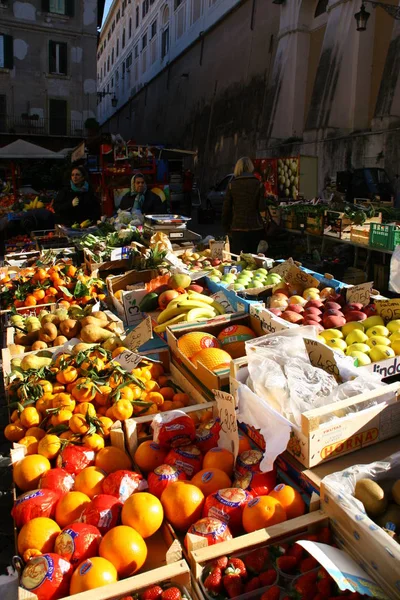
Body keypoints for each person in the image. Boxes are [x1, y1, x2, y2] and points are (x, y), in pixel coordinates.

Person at [222, 157, 267, 254]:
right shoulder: (258, 184)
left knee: (239, 260)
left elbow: (226, 209)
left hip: (237, 227)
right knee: (254, 260)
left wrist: (226, 226)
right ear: (251, 168)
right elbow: (262, 207)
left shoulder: (231, 185)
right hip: (255, 227)